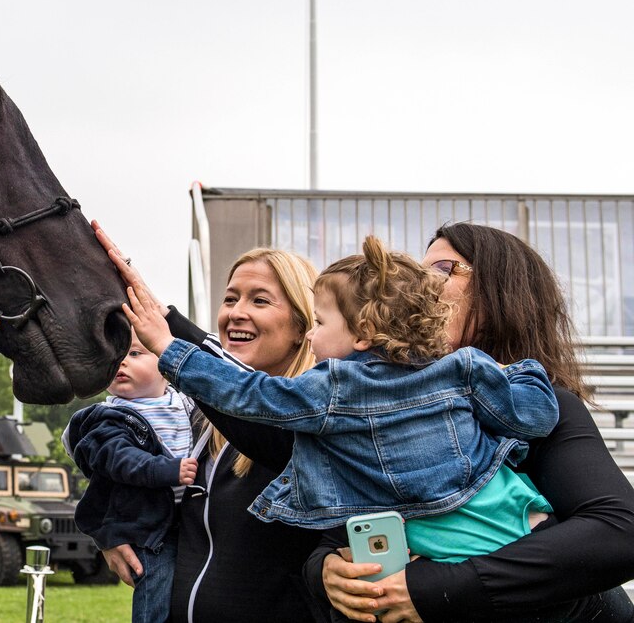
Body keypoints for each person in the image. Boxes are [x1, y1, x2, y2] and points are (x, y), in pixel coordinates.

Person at [123, 235, 560, 565]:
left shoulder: (334, 386)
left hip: (435, 542)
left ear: (363, 331)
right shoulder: (463, 366)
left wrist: (167, 348)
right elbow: (536, 417)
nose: (312, 334)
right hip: (510, 513)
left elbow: (247, 392)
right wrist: (521, 370)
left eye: (318, 322)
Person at [309, 222, 634, 623]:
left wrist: (436, 588)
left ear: (501, 293)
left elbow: (618, 532)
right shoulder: (380, 409)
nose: (420, 286)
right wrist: (325, 570)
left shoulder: (546, 406)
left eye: (442, 270)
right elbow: (339, 527)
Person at [93, 221, 330, 622]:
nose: (236, 313)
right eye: (230, 298)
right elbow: (120, 468)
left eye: (260, 301)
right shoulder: (203, 421)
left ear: (301, 327)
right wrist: (112, 531)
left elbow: (256, 416)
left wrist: (168, 333)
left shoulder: (317, 421)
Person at [63, 330, 197, 623]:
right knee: (157, 591)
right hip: (145, 528)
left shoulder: (186, 404)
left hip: (189, 523)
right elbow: (120, 460)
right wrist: (167, 470)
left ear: (166, 362)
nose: (120, 363)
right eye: (113, 356)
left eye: (135, 354)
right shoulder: (108, 419)